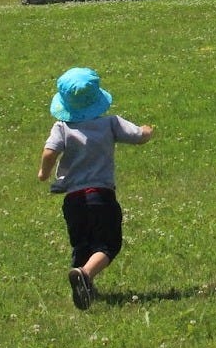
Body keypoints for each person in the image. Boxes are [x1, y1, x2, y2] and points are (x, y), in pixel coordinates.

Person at [37, 67, 154, 310]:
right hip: (101, 196)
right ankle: (87, 273)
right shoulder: (110, 123)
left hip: (73, 200)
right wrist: (147, 131)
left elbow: (49, 152)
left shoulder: (61, 127)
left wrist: (44, 173)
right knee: (108, 245)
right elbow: (138, 136)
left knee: (82, 244)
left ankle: (85, 284)